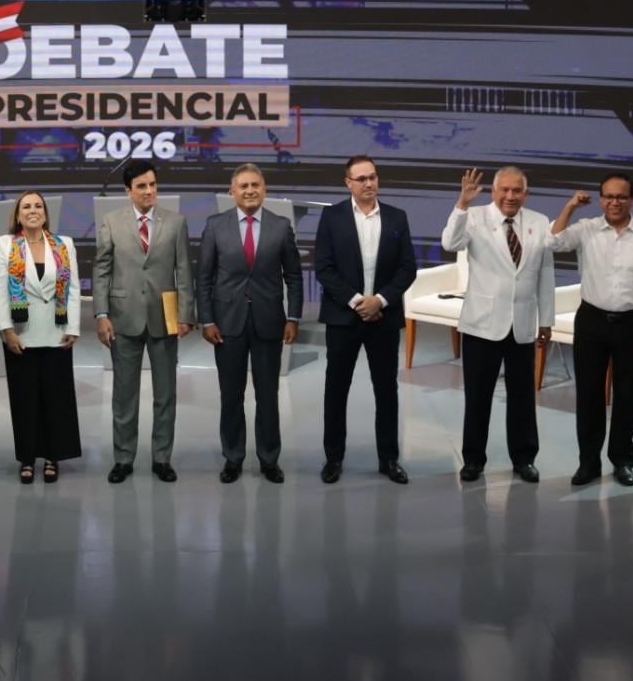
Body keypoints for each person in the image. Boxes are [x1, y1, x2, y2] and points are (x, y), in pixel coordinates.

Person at [549, 174, 633, 487]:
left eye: (622, 197)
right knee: (588, 395)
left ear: (632, 200)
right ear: (601, 200)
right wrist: (571, 206)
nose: (615, 202)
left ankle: (623, 461)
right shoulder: (586, 230)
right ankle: (588, 463)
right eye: (609, 197)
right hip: (592, 321)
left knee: (627, 396)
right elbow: (553, 241)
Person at [442, 166, 555, 484]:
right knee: (478, 397)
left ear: (526, 193)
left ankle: (524, 458)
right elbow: (450, 242)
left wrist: (545, 319)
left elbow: (545, 273)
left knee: (522, 397)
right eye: (504, 190)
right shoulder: (474, 217)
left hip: (521, 324)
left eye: (517, 190)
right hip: (482, 324)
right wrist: (462, 204)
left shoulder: (539, 222)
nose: (510, 196)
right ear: (493, 192)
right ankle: (473, 460)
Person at [312, 154, 418, 485]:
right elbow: (324, 268)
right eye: (362, 179)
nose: (369, 183)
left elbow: (407, 268)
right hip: (344, 318)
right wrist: (359, 302)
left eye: (373, 177)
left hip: (383, 319)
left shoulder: (398, 217)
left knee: (386, 390)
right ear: (348, 183)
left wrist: (381, 301)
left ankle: (389, 459)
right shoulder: (332, 217)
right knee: (336, 389)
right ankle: (333, 458)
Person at [198, 164, 303, 484]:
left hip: (269, 323)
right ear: (232, 192)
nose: (249, 190)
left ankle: (269, 459)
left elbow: (294, 277)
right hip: (226, 325)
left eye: (255, 185)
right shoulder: (215, 226)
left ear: (265, 188)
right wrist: (207, 319)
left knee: (268, 395)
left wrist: (293, 317)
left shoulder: (281, 226)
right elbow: (203, 278)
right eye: (243, 186)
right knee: (231, 396)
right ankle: (233, 457)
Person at [93, 160, 195, 484]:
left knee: (166, 394)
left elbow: (184, 272)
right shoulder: (111, 222)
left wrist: (185, 315)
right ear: (128, 191)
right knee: (124, 396)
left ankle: (162, 459)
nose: (149, 191)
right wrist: (101, 314)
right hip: (123, 318)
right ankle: (123, 459)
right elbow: (101, 271)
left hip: (165, 317)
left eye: (153, 184)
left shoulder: (176, 222)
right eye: (141, 186)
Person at [0, 191, 82, 483]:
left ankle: (53, 456)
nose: (33, 210)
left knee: (56, 398)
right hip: (21, 334)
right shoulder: (5, 244)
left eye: (38, 206)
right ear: (17, 214)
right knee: (24, 399)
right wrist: (6, 331)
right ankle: (27, 458)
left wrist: (74, 327)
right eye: (26, 206)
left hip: (57, 332)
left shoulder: (64, 243)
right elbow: (0, 289)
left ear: (45, 213)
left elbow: (75, 287)